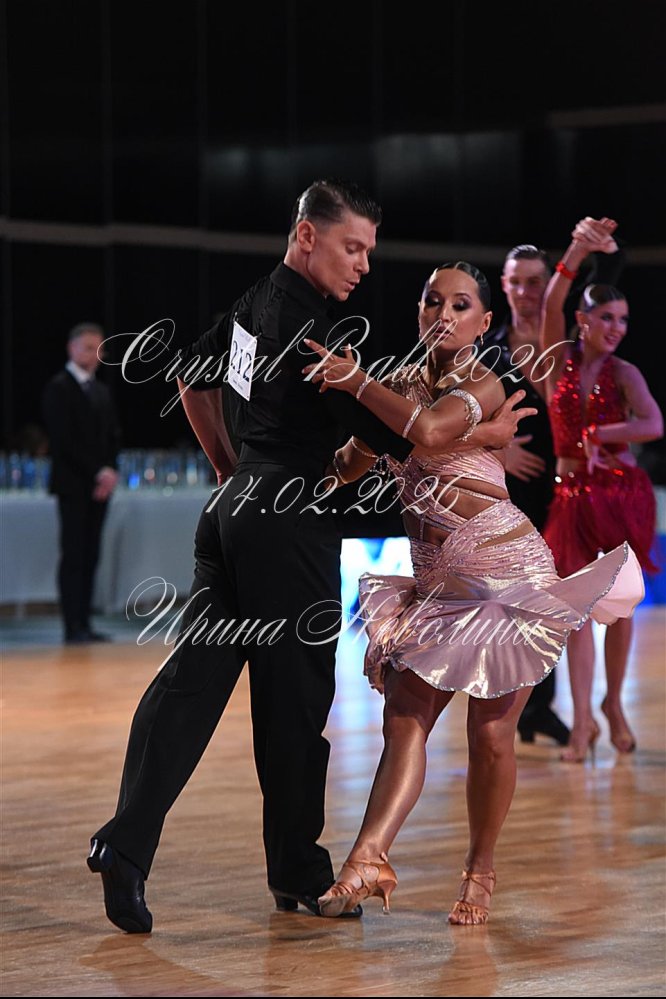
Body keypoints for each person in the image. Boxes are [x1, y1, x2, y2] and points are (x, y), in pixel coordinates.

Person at [86, 181, 531, 933]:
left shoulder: (253, 303)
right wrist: (484, 434)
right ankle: (295, 867)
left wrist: (230, 470)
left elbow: (191, 376)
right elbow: (400, 437)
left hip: (233, 515)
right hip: (287, 525)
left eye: (368, 252)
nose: (363, 266)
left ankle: (124, 845)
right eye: (352, 248)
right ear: (306, 237)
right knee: (292, 704)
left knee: (189, 685)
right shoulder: (315, 335)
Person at [301, 260, 644, 924]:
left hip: (501, 573)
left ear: (485, 322)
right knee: (404, 719)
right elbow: (348, 464)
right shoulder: (397, 386)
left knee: (490, 735)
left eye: (460, 305)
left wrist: (360, 384)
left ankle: (480, 869)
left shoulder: (482, 381)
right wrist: (290, 444)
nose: (444, 314)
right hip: (438, 581)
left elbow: (429, 432)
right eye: (432, 301)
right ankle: (367, 859)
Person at [539, 216, 663, 762]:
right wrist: (576, 248)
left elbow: (654, 423)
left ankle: (613, 704)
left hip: (618, 496)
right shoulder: (557, 362)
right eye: (607, 318)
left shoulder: (625, 372)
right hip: (571, 497)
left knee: (619, 609)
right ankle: (583, 719)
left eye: (624, 319)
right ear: (582, 320)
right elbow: (551, 301)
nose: (616, 328)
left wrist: (602, 433)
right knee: (574, 614)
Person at [42, 322, 121, 644]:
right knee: (74, 554)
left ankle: (85, 621)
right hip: (73, 484)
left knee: (91, 554)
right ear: (72, 348)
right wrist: (97, 472)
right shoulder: (58, 388)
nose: (94, 355)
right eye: (88, 348)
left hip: (99, 487)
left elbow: (113, 436)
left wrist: (110, 471)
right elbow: (64, 442)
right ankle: (71, 623)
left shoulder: (101, 391)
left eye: (99, 349)